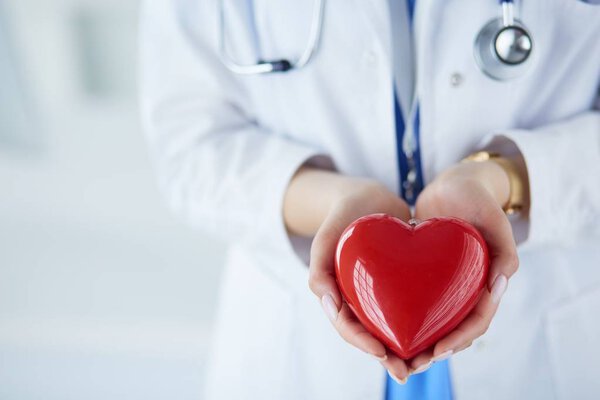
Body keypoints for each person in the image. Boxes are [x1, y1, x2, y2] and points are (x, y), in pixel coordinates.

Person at [140, 0, 600, 399]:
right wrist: (333, 203)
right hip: (297, 353)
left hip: (542, 333)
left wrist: (507, 179)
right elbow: (190, 147)